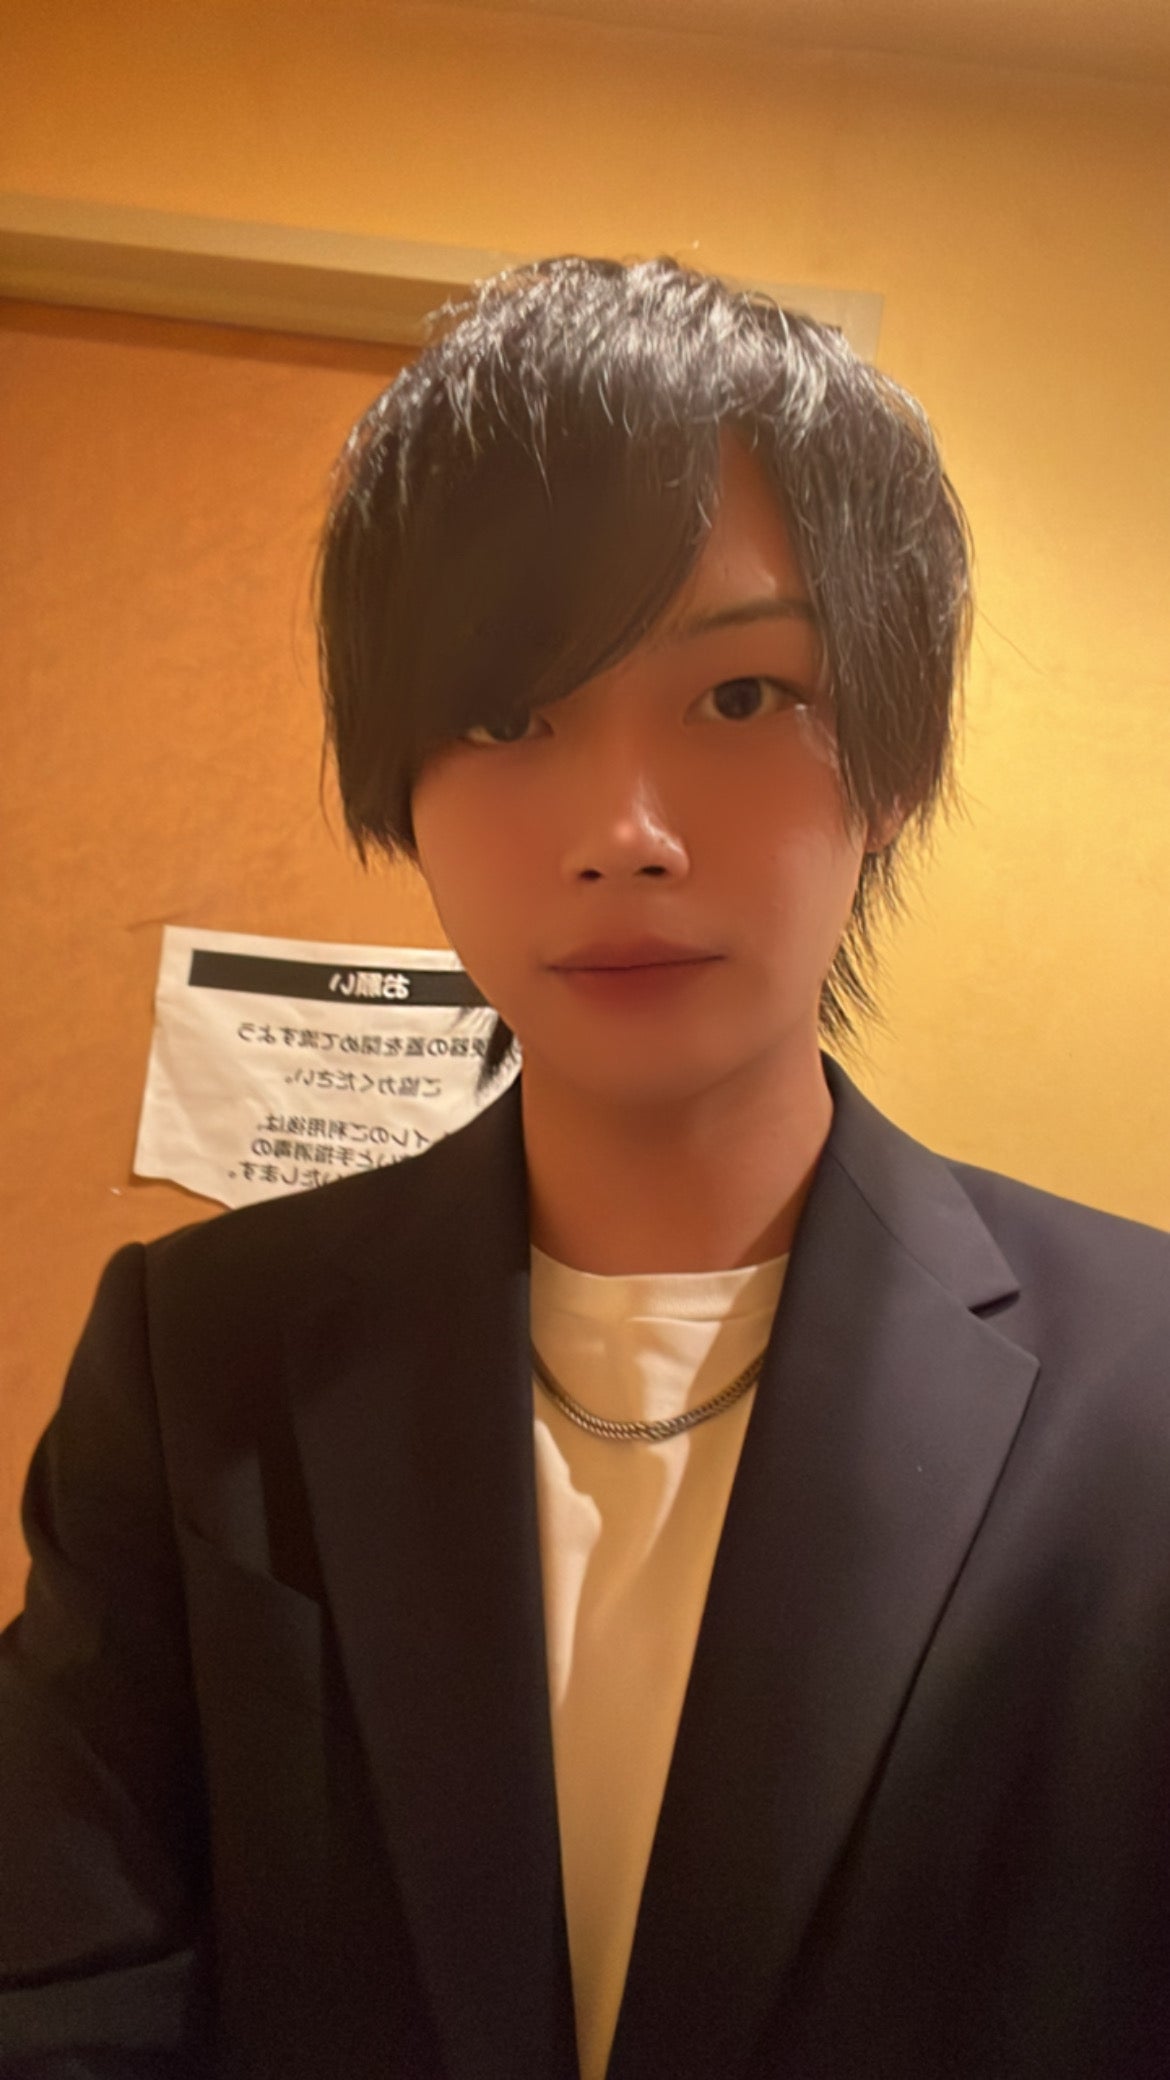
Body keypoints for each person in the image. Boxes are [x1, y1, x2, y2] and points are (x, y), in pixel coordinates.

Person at [1, 256, 1168, 2080]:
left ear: (894, 761)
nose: (621, 835)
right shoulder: (198, 1354)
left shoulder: (1143, 1388)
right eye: (503, 715)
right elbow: (66, 1990)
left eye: (741, 696)